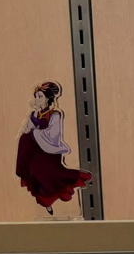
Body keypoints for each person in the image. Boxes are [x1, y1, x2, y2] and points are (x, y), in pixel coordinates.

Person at [16, 81, 91, 215]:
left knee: (41, 170)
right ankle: (46, 203)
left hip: (49, 151)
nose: (37, 99)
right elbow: (27, 130)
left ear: (47, 98)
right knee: (31, 163)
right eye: (36, 96)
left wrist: (35, 131)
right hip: (37, 150)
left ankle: (55, 196)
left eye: (40, 96)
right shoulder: (34, 113)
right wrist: (33, 121)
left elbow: (53, 136)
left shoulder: (55, 114)